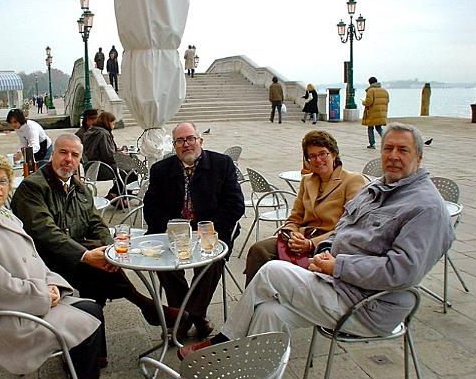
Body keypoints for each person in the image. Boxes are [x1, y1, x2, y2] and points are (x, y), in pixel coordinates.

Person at [179, 123, 455, 359]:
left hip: (368, 305)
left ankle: (222, 343)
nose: (393, 156)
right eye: (387, 148)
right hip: (340, 285)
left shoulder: (425, 207)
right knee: (269, 312)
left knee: (272, 272)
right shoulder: (377, 189)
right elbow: (340, 228)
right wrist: (320, 249)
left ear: (419, 155)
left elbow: (401, 272)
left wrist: (336, 264)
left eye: (402, 150)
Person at [0, 152, 105, 379]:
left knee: (92, 307)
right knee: (89, 314)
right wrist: (43, 295)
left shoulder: (1, 213)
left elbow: (34, 258)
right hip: (5, 318)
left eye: (3, 181)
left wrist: (53, 285)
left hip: (24, 303)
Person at [10, 134, 184, 339]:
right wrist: (85, 255)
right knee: (95, 272)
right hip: (42, 259)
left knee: (98, 275)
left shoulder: (79, 187)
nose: (68, 159)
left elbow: (96, 223)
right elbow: (46, 232)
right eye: (63, 152)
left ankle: (94, 347)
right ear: (52, 154)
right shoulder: (33, 187)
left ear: (80, 160)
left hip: (73, 252)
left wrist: (111, 251)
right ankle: (146, 305)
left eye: (75, 155)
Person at [143, 122, 245, 338]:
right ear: (174, 145)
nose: (186, 144)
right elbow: (151, 208)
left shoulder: (222, 164)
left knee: (213, 261)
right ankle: (192, 317)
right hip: (173, 233)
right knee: (165, 263)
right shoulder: (161, 169)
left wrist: (207, 229)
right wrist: (174, 228)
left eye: (190, 138)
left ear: (200, 140)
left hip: (210, 231)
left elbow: (235, 205)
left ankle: (184, 317)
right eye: (180, 141)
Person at [245, 130, 366, 285]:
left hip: (330, 243)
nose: (318, 160)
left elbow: (350, 226)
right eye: (312, 156)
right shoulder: (307, 181)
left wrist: (311, 243)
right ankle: (253, 301)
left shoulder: (352, 181)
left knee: (307, 270)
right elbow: (295, 217)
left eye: (323, 154)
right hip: (302, 239)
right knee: (259, 250)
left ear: (334, 154)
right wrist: (293, 235)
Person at [82, 111, 135, 200]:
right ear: (108, 122)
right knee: (130, 171)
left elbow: (101, 150)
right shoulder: (103, 134)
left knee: (129, 165)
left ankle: (117, 194)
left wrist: (117, 150)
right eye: (113, 123)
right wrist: (121, 154)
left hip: (91, 166)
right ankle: (118, 195)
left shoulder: (92, 130)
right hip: (101, 167)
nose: (113, 126)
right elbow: (108, 156)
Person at [362, 76, 390, 149]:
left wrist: (363, 102)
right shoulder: (384, 90)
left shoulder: (370, 91)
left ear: (370, 83)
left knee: (370, 128)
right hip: (381, 112)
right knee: (379, 128)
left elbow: (369, 102)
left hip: (372, 113)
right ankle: (387, 140)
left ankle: (372, 143)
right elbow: (387, 101)